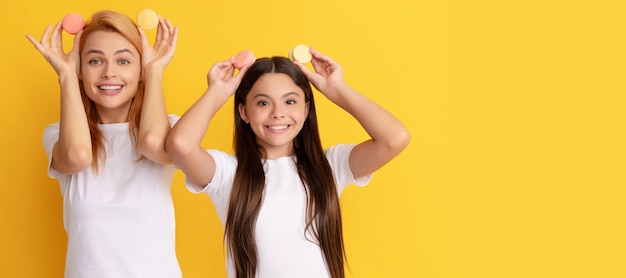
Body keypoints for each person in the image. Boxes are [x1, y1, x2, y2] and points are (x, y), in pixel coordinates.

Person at [166, 48, 410, 278]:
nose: (277, 112)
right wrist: (217, 92)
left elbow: (394, 139)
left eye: (290, 102)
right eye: (263, 102)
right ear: (244, 112)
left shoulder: (330, 166)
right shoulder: (227, 173)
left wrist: (337, 89)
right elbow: (181, 145)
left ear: (306, 110)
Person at [26, 10, 181, 277]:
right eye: (96, 61)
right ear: (81, 70)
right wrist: (65, 74)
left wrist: (155, 71)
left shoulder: (171, 128)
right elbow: (77, 156)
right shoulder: (59, 134)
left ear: (140, 68)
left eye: (123, 61)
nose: (109, 72)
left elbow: (153, 144)